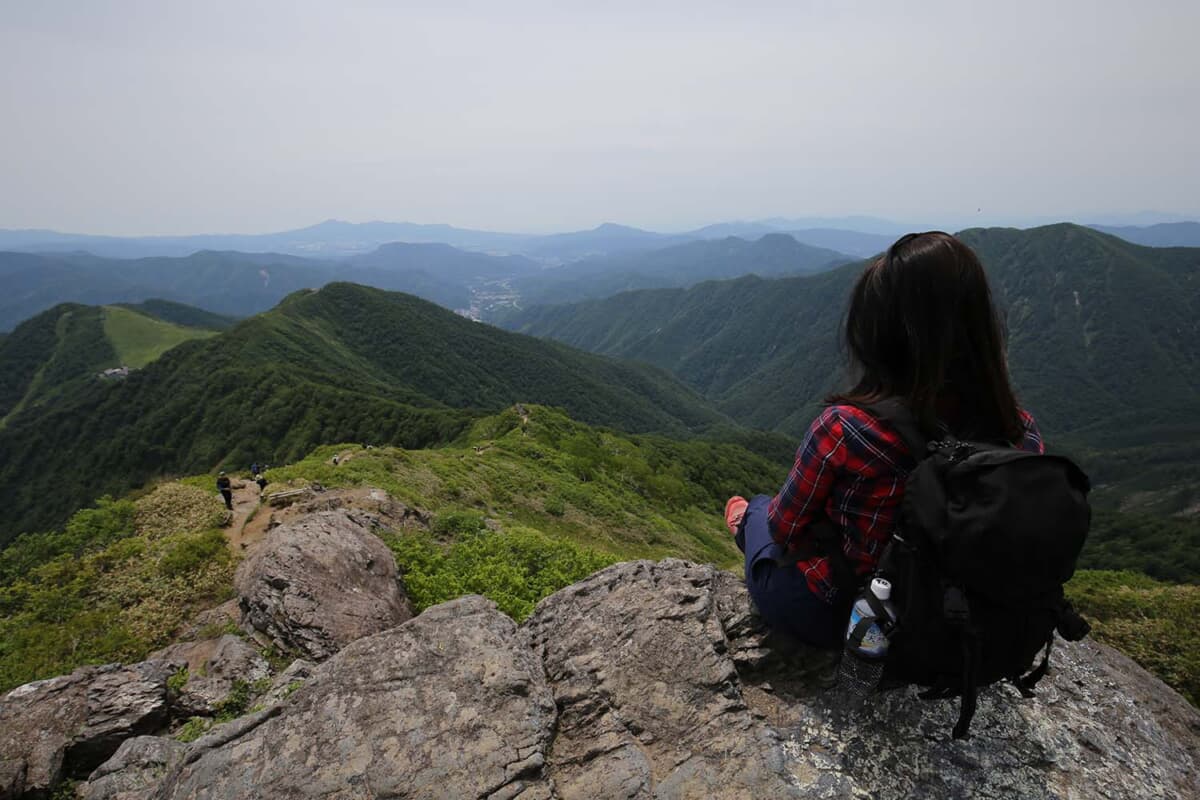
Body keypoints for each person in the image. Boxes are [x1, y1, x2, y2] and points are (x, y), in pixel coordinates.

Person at [724, 231, 1044, 648]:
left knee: (760, 512)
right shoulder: (1020, 433)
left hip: (848, 616)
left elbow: (785, 527)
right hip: (955, 625)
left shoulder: (846, 427)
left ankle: (741, 520)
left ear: (879, 337)